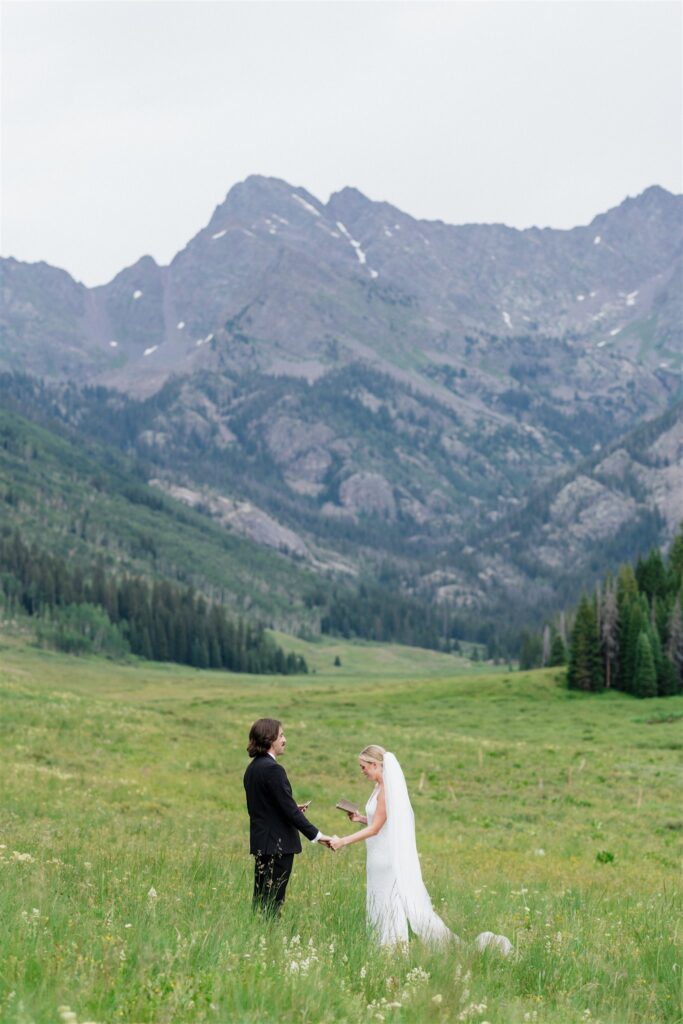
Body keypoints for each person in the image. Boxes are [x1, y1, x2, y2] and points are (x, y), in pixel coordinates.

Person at [329, 745, 511, 954]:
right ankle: (382, 948)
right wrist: (361, 818)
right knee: (378, 902)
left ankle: (394, 950)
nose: (362, 772)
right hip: (376, 858)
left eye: (364, 767)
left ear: (376, 764)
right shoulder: (379, 787)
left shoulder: (387, 790)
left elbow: (376, 828)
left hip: (386, 859)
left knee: (389, 905)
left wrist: (343, 841)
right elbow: (383, 822)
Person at [244, 718, 331, 915]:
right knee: (274, 900)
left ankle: (255, 935)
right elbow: (289, 812)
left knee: (260, 899)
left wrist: (290, 806)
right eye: (281, 735)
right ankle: (268, 939)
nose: (285, 739)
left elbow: (266, 805)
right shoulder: (274, 769)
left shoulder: (253, 768)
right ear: (270, 739)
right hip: (278, 845)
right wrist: (317, 836)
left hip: (262, 843)